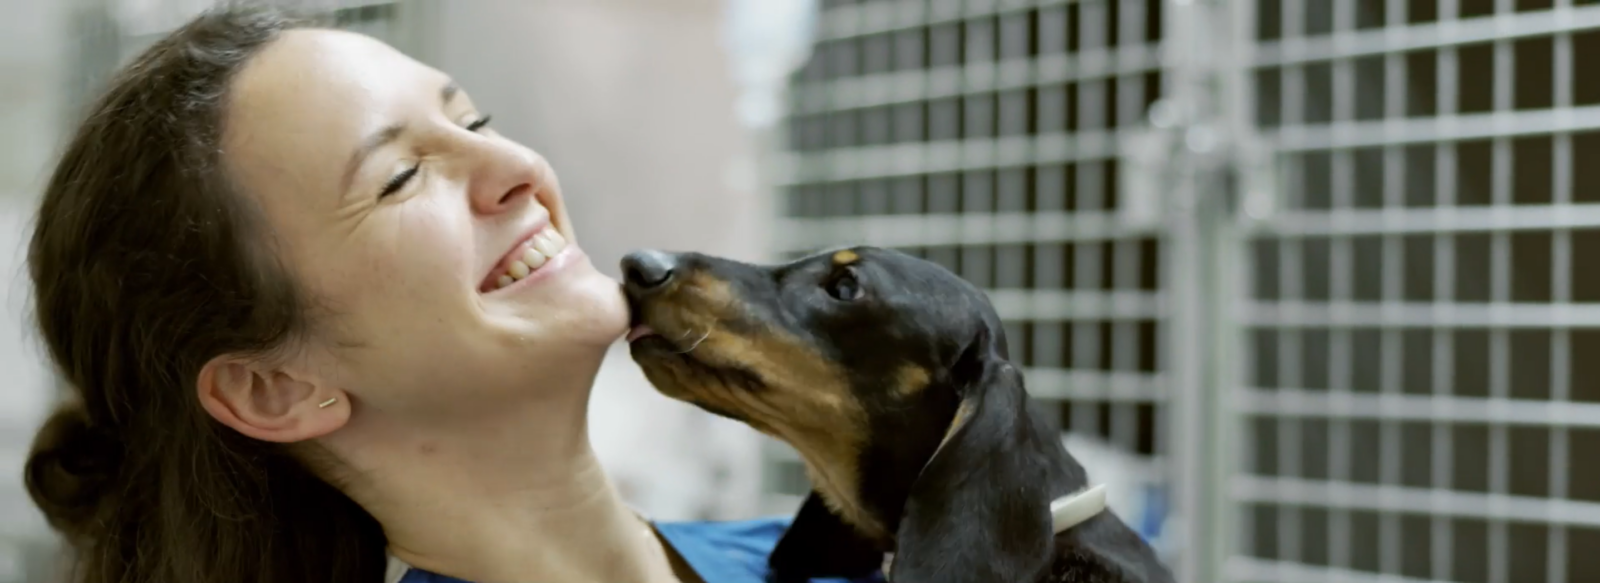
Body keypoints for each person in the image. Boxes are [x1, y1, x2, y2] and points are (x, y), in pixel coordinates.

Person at [21, 6, 879, 583]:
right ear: (271, 388)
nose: (519, 169)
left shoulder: (831, 560)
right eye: (397, 178)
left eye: (473, 122)